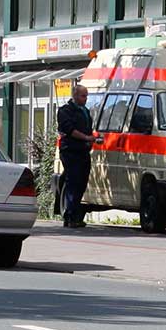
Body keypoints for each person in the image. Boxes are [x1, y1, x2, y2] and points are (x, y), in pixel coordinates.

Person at [57, 84, 95, 228]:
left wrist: (92, 139)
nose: (85, 99)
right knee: (73, 181)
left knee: (82, 183)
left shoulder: (85, 111)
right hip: (70, 151)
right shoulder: (65, 111)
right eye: (83, 96)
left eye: (86, 96)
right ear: (75, 96)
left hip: (83, 151)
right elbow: (69, 129)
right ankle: (70, 216)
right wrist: (86, 138)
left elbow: (88, 129)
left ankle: (74, 215)